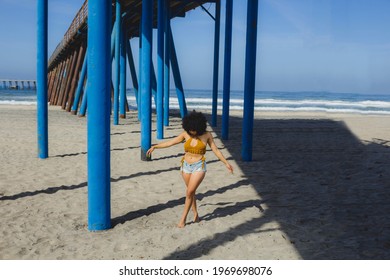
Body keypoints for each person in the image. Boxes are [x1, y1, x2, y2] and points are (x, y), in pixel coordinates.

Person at [147, 111, 233, 228]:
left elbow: (216, 150)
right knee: (191, 192)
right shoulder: (185, 134)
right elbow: (171, 142)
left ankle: (182, 220)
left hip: (199, 166)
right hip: (185, 166)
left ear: (199, 127)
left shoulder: (207, 135)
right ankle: (196, 214)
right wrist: (155, 147)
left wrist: (226, 163)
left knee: (188, 192)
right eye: (190, 129)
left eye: (194, 130)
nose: (192, 132)